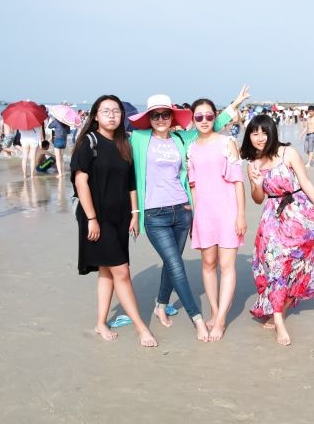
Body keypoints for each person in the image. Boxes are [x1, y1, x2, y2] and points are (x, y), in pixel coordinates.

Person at [128, 86, 248, 342]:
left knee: (171, 263)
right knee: (175, 264)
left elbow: (210, 125)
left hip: (182, 211)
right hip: (154, 213)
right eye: (155, 115)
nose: (161, 119)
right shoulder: (138, 138)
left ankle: (161, 305)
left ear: (173, 116)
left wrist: (234, 105)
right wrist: (132, 211)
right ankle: (197, 318)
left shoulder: (182, 139)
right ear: (148, 118)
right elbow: (118, 159)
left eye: (165, 114)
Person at [240, 114, 314, 346]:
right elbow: (258, 199)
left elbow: (306, 184)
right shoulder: (253, 164)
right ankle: (279, 321)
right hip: (272, 218)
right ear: (249, 136)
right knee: (274, 264)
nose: (260, 138)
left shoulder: (288, 153)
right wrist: (256, 184)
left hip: (299, 214)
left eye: (264, 132)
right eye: (254, 133)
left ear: (272, 133)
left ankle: (282, 306)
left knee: (297, 263)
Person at [70, 94, 157, 347]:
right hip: (97, 217)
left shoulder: (123, 144)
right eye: (106, 111)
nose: (111, 115)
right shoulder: (89, 142)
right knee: (122, 271)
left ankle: (100, 323)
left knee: (107, 271)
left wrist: (135, 214)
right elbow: (80, 181)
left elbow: (131, 183)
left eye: (116, 111)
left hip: (120, 217)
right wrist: (91, 218)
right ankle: (141, 328)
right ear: (95, 115)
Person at [187, 98, 247, 341]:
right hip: (203, 214)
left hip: (228, 212)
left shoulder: (227, 142)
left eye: (209, 116)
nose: (204, 120)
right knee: (208, 264)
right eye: (199, 117)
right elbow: (193, 186)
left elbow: (238, 181)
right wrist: (194, 218)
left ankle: (221, 319)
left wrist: (241, 215)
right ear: (193, 119)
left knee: (227, 266)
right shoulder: (191, 148)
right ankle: (213, 310)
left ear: (215, 117)